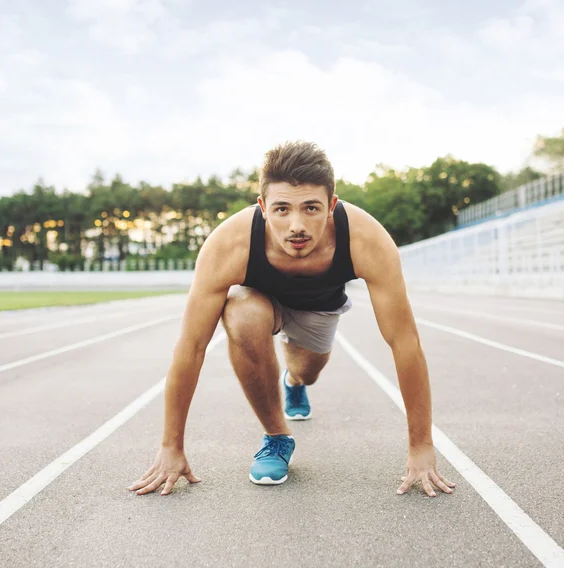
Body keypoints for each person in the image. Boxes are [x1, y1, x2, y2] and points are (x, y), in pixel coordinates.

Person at [128, 141, 455, 498]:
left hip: (320, 309)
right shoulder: (229, 245)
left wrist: (421, 446)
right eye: (282, 209)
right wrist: (171, 447)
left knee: (307, 371)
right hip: (260, 303)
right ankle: (276, 437)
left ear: (331, 205)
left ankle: (294, 380)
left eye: (311, 208)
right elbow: (191, 346)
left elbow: (404, 341)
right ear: (263, 208)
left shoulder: (366, 239)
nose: (296, 225)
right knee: (240, 313)